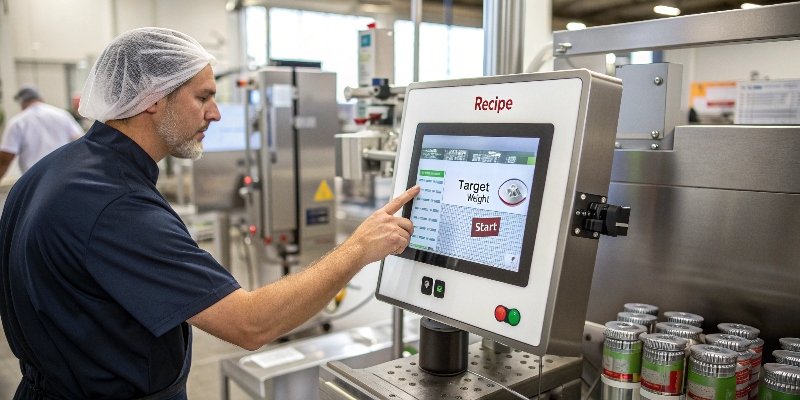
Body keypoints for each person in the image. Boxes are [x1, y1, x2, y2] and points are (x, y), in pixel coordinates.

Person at [0, 27, 419, 399]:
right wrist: (359, 247)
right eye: (203, 97)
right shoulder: (117, 204)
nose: (216, 113)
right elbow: (250, 324)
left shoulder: (48, 172)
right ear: (151, 99)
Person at [0, 85, 83, 180]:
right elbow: (80, 142)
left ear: (22, 102)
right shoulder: (63, 115)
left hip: (34, 180)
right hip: (64, 176)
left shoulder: (17, 122)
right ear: (41, 98)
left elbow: (4, 159)